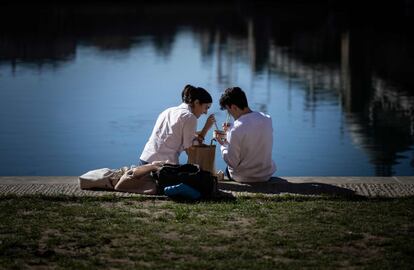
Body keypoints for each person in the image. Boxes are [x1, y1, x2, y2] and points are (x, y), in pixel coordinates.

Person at [139, 84, 215, 166]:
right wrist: (205, 130)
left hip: (144, 161)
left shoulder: (167, 111)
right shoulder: (190, 117)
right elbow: (191, 150)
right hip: (162, 166)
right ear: (196, 102)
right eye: (206, 107)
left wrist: (204, 129)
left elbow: (178, 135)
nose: (206, 112)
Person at [214, 87, 276, 182]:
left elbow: (232, 162)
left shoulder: (235, 129)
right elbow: (250, 132)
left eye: (228, 111)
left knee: (227, 169)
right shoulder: (267, 119)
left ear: (234, 107)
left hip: (244, 177)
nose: (229, 114)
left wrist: (222, 144)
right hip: (265, 175)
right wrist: (229, 132)